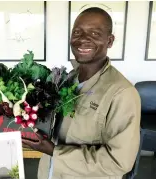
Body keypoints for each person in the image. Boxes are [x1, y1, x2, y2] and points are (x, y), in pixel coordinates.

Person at [22, 7, 141, 179]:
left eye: (94, 33)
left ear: (110, 41)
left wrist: (54, 151)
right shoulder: (66, 79)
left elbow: (119, 162)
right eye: (77, 32)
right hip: (49, 171)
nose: (83, 39)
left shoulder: (122, 93)